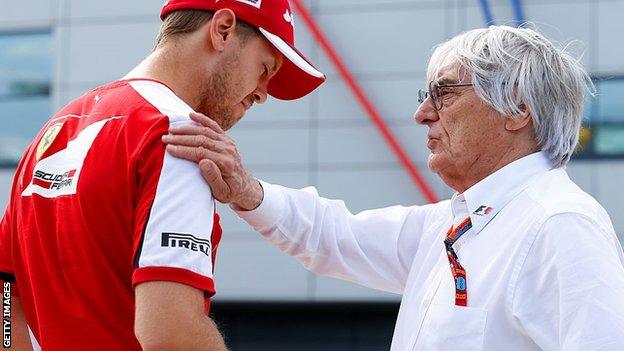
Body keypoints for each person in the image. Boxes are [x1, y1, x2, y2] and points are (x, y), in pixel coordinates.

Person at [163, 25, 624, 350]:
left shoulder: (560, 225)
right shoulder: (458, 223)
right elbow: (332, 236)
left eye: (444, 94)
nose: (422, 114)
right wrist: (245, 189)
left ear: (517, 108)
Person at [0, 0, 325, 349]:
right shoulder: (181, 139)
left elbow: (6, 292)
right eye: (265, 69)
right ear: (223, 30)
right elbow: (173, 333)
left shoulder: (54, 132)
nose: (263, 94)